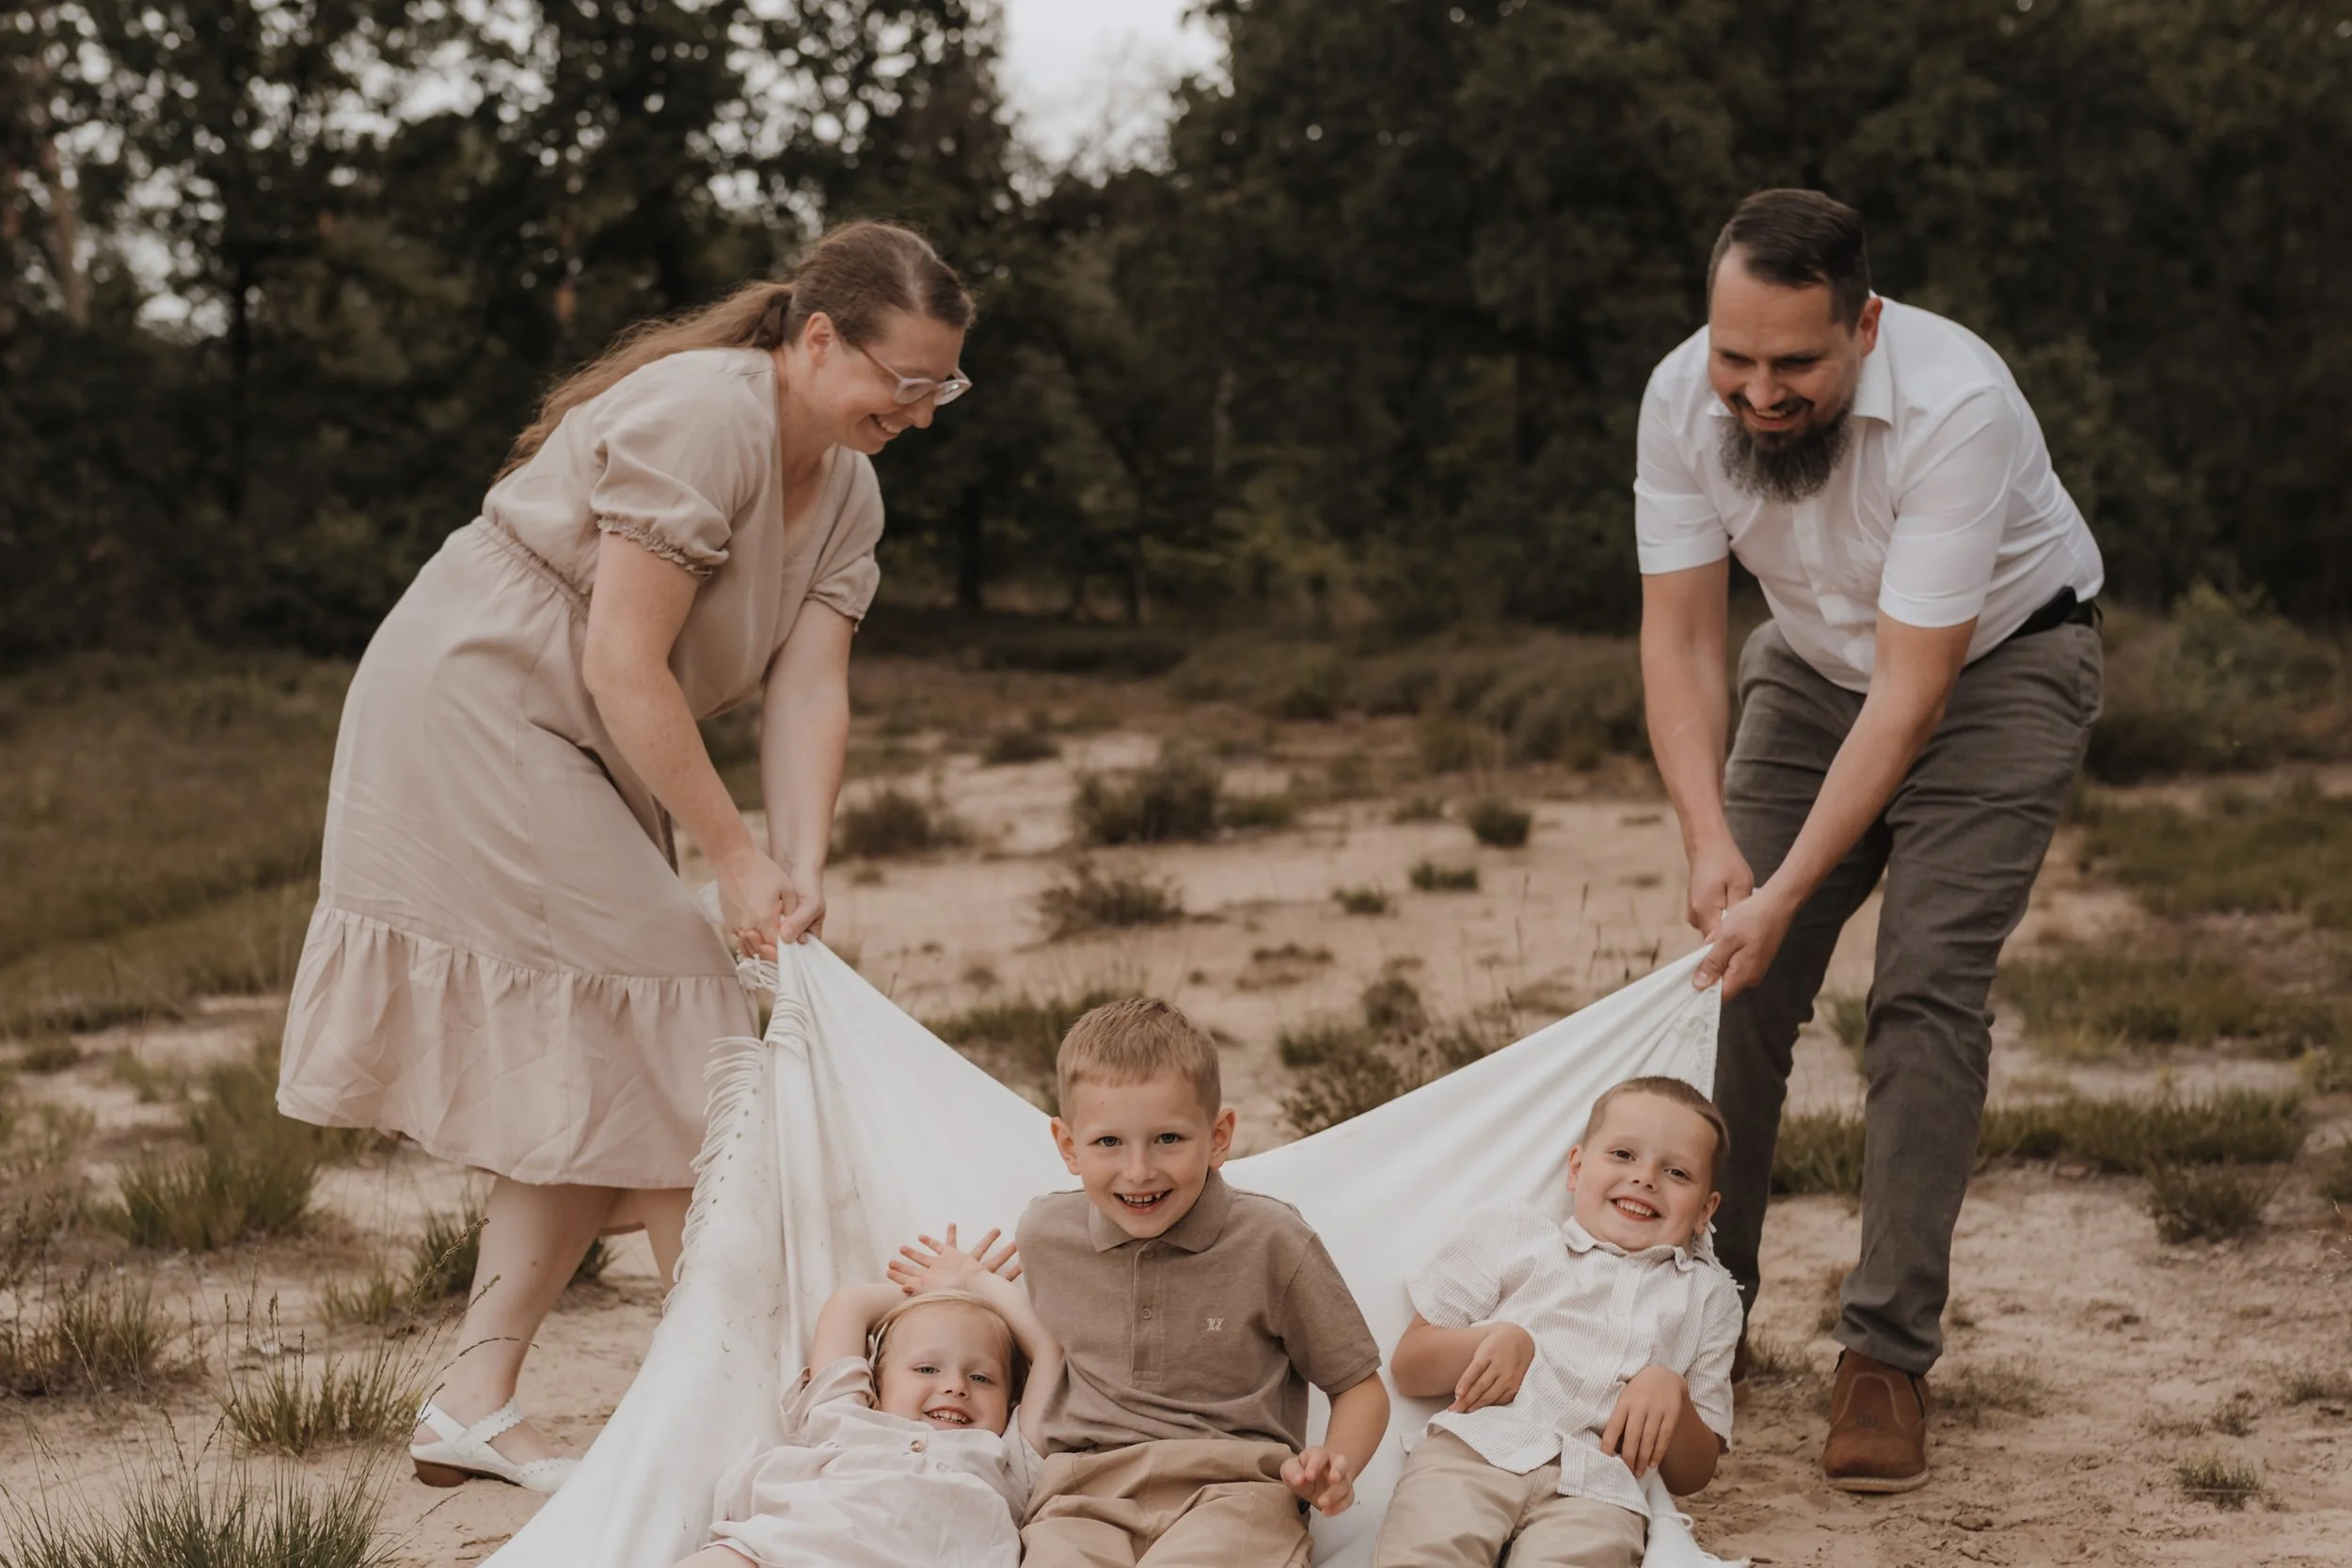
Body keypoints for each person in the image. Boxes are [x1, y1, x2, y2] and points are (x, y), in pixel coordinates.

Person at [278, 220, 977, 1491]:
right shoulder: (704, 416)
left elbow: (810, 691)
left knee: (630, 1054)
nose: (921, 412)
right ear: (818, 338)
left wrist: (794, 866)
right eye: (905, 381)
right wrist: (727, 851)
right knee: (693, 1032)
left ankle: (471, 1402)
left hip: (601, 734)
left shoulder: (856, 487)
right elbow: (620, 657)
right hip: (484, 700)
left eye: (944, 387)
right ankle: (728, 1410)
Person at [1635, 189, 2105, 1492]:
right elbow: (1679, 636)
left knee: (1922, 993)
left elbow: (1914, 694)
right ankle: (1699, 1314)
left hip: (1999, 670)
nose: (1759, 391)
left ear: (1866, 322)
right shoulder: (1683, 396)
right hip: (1812, 665)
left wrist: (1785, 883)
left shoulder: (1960, 403)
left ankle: (1885, 1354)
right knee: (1731, 976)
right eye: (1737, 357)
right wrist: (1711, 842)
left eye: (1795, 363)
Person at [1014, 997, 1392, 1566]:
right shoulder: (1047, 1235)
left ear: (1219, 1136)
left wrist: (1334, 1464)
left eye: (1168, 1139)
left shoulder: (1272, 1240)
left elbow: (1359, 1387)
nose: (1139, 1171)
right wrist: (967, 1280)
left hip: (1235, 1491)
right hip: (1082, 1495)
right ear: (1069, 1146)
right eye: (1108, 1142)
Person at [1373, 1076, 1740, 1568]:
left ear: (1705, 1211)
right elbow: (1409, 1365)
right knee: (1426, 1554)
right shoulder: (1512, 1233)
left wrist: (1671, 1393)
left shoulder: (1708, 1294)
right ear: (1576, 1167)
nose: (1646, 1178)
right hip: (1474, 1455)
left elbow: (1694, 1473)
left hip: (1601, 1489)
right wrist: (1494, 1339)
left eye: (1676, 1172)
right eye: (1624, 1155)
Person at [668, 1225, 1063, 1568]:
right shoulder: (844, 1417)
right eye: (927, 1369)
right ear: (874, 1385)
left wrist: (977, 1283)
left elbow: (1050, 1352)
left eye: (981, 1378)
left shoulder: (1007, 1461)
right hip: (790, 1551)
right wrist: (945, 1293)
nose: (955, 1386)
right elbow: (850, 1305)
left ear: (1013, 1401)